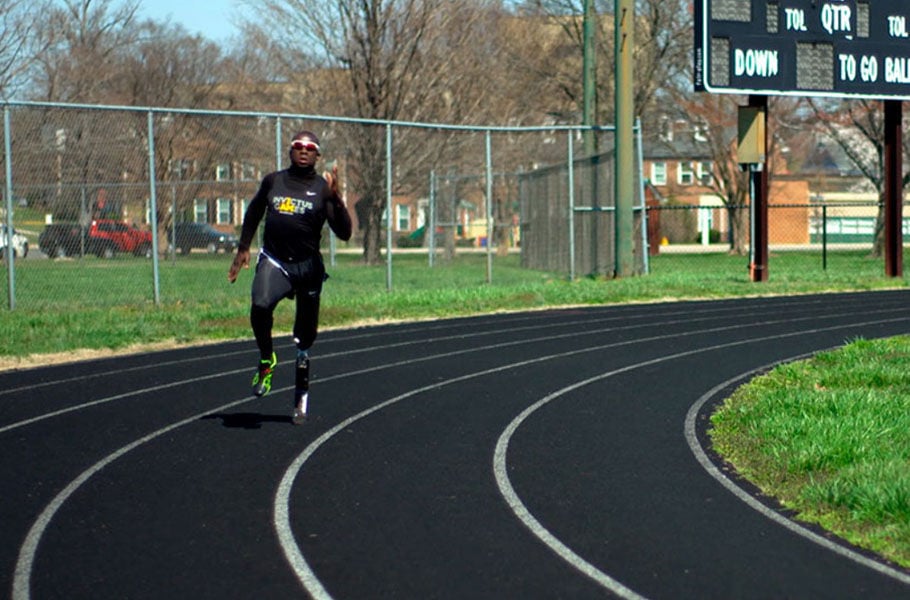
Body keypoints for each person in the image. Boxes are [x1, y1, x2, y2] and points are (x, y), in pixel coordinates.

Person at [228, 130, 352, 425]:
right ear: (291, 152)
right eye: (299, 146)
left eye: (311, 148)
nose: (304, 151)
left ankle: (301, 395)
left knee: (304, 337)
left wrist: (337, 200)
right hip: (275, 261)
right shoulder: (274, 181)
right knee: (260, 305)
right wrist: (244, 247)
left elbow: (345, 233)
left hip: (307, 268)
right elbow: (255, 210)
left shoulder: (323, 189)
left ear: (317, 156)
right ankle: (267, 358)